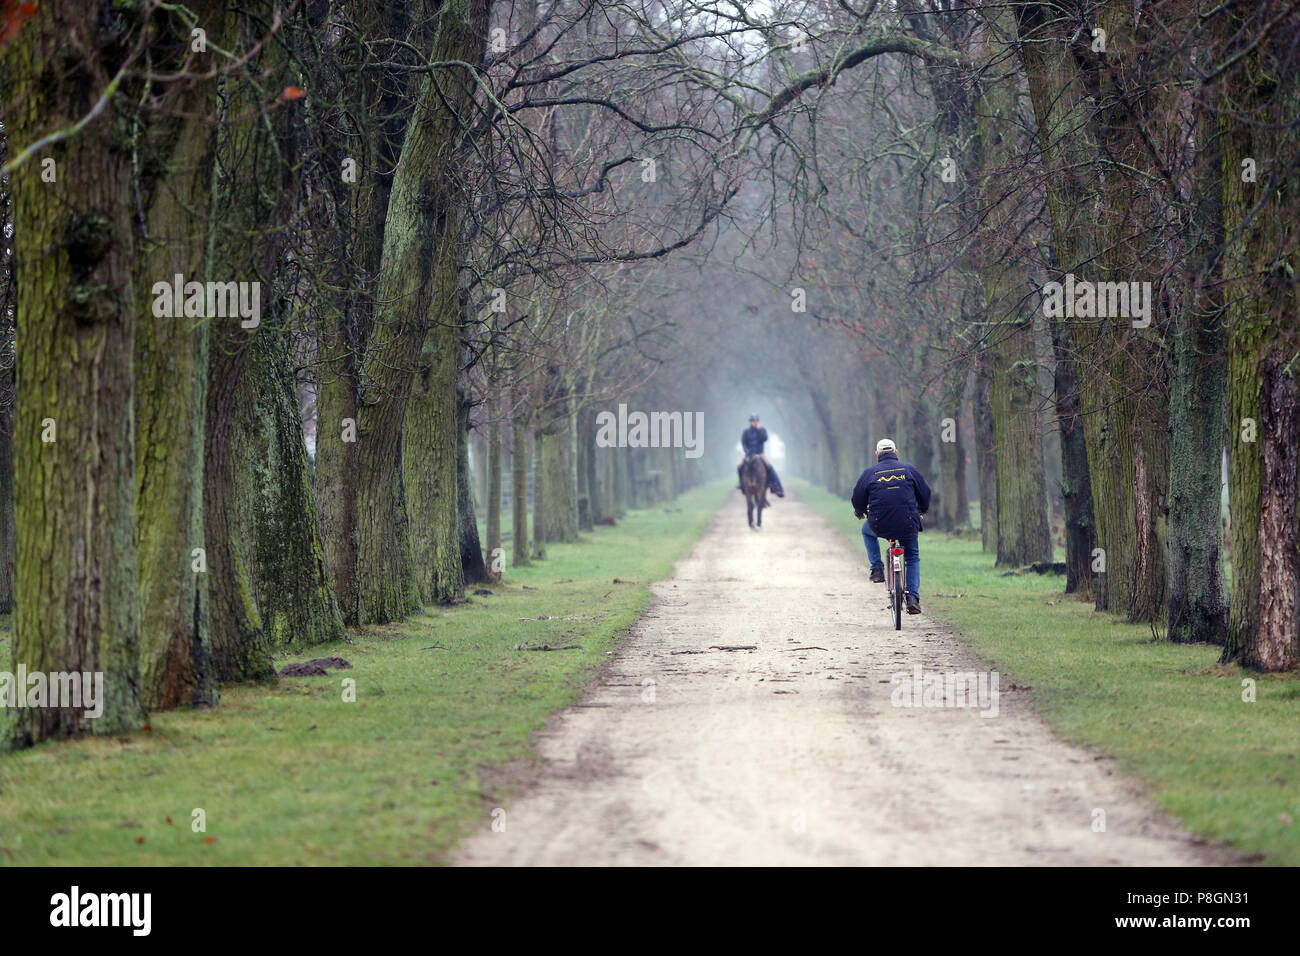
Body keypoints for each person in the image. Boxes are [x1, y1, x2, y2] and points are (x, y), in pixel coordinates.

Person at [851, 438, 931, 614]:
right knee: (911, 557)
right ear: (896, 452)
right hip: (908, 521)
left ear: (877, 454)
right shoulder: (909, 469)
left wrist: (859, 510)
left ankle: (877, 569)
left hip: (879, 522)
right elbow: (925, 492)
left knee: (867, 531)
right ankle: (912, 597)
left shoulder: (870, 473)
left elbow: (857, 496)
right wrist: (922, 509)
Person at [736, 413, 784, 497]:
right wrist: (748, 452)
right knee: (739, 466)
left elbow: (765, 439)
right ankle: (741, 483)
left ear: (758, 421)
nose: (754, 422)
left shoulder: (762, 430)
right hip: (748, 454)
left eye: (756, 421)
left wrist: (759, 430)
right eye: (752, 421)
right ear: (750, 422)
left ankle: (775, 485)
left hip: (760, 454)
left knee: (769, 466)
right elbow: (744, 443)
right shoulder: (746, 432)